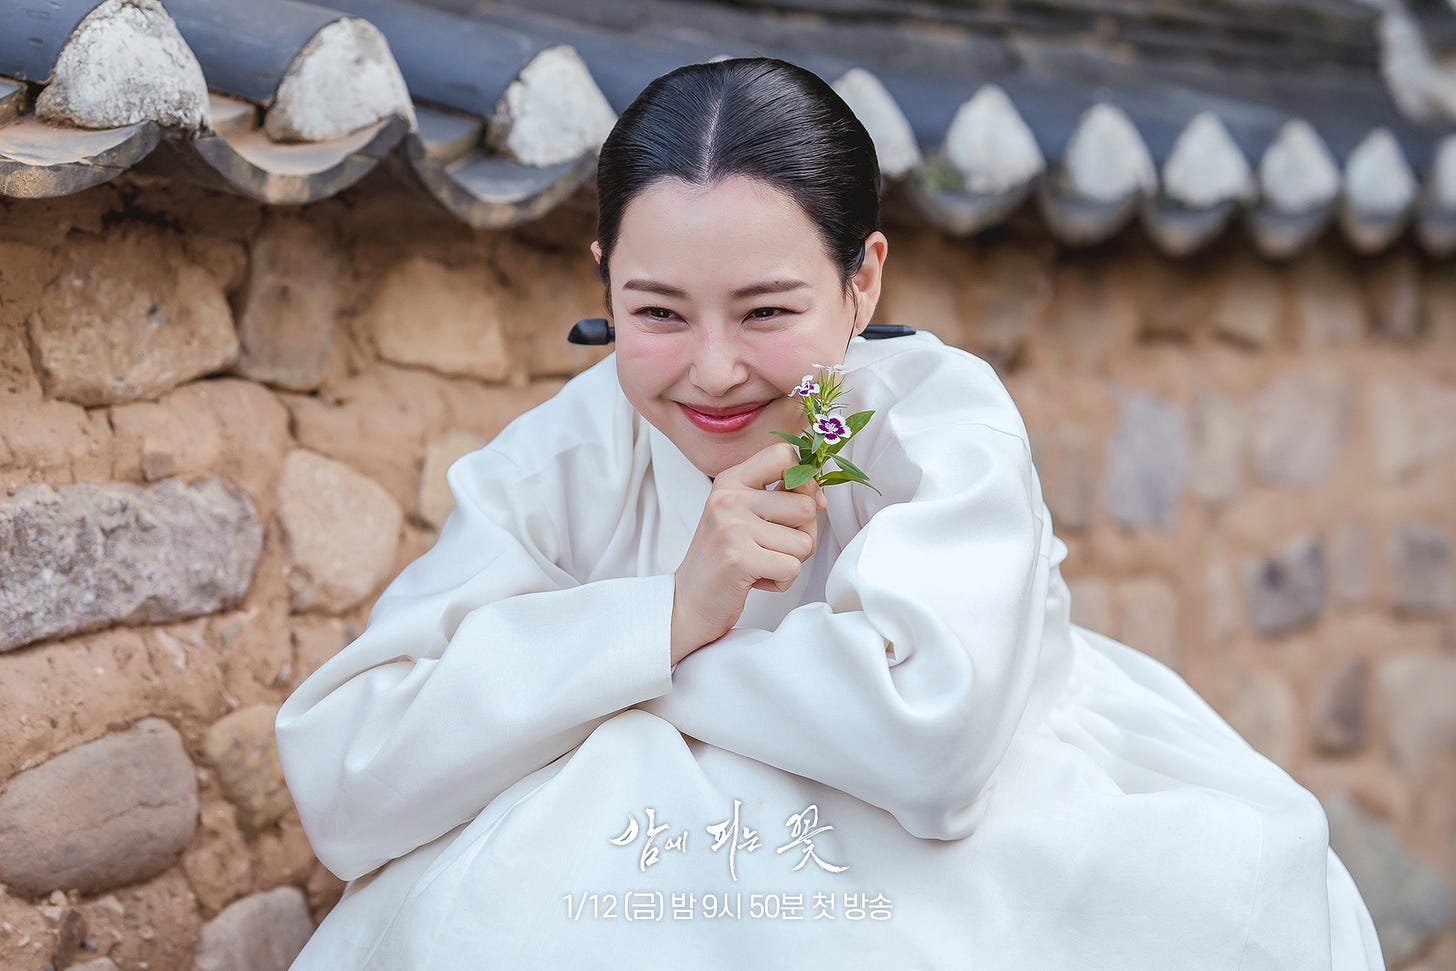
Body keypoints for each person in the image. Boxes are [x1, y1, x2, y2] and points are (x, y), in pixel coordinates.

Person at [275, 57, 1383, 969]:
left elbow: (932, 747)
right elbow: (351, 778)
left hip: (960, 862)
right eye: (655, 311)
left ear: (863, 282)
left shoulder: (938, 431)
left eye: (766, 310)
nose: (712, 372)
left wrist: (628, 678)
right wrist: (666, 610)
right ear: (604, 276)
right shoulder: (559, 457)